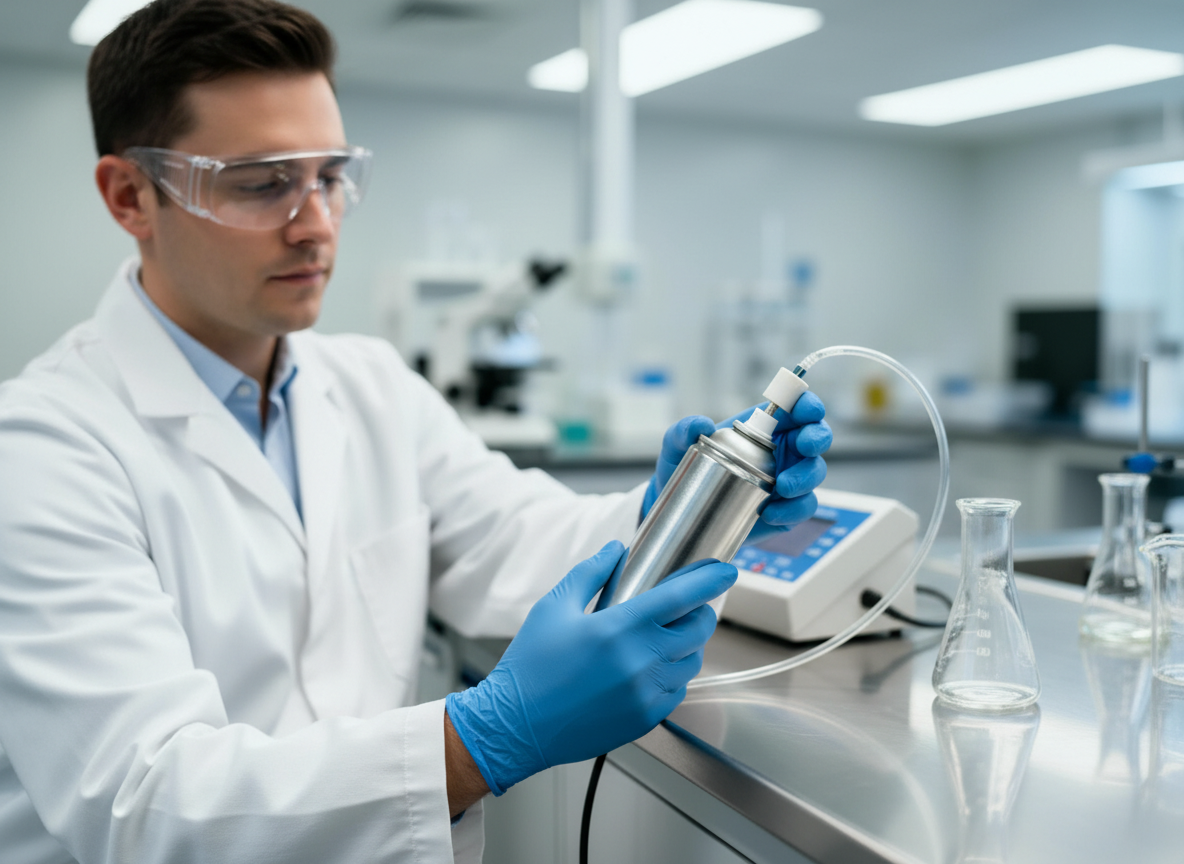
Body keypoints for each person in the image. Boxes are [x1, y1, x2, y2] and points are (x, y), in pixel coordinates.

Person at [0, 1, 831, 862]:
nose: (316, 222)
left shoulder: (370, 387)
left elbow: (516, 543)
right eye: (262, 183)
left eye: (330, 175)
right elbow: (143, 806)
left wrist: (690, 511)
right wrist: (478, 741)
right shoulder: (42, 450)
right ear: (130, 196)